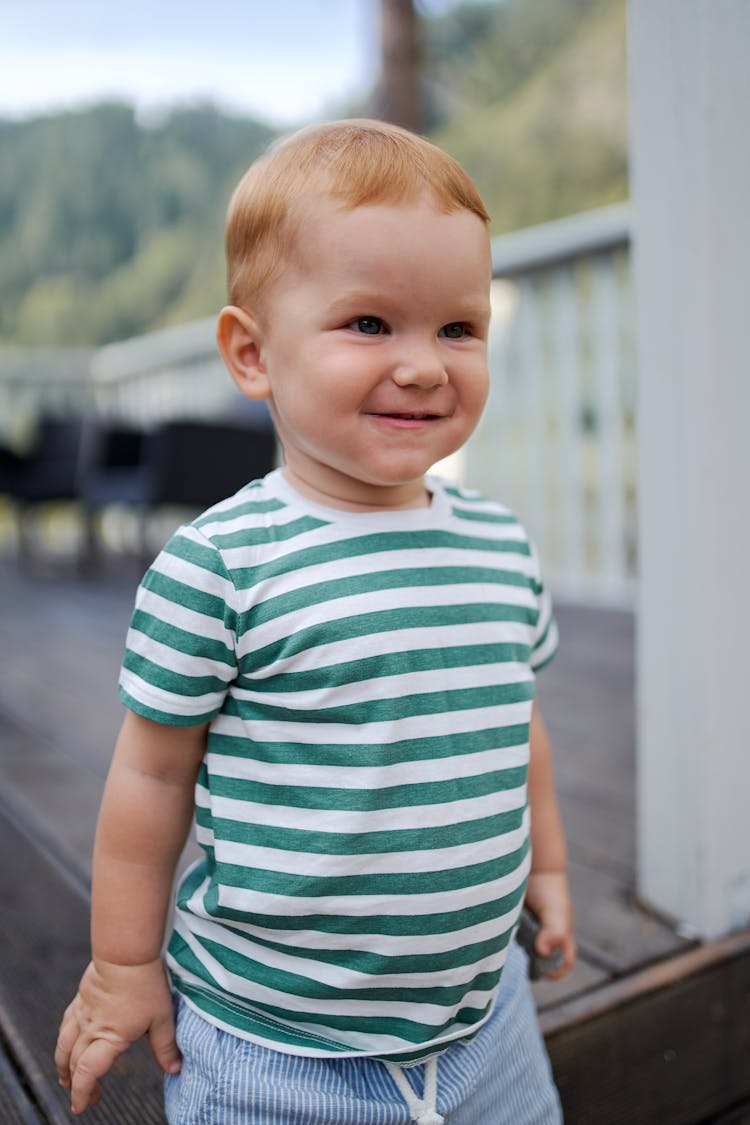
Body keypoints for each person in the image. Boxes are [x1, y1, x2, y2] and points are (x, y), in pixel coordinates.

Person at [55, 119, 576, 1124]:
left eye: (458, 328)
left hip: (486, 1019)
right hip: (273, 1052)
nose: (425, 365)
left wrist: (548, 867)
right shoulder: (221, 565)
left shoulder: (499, 544)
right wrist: (125, 964)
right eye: (371, 325)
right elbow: (152, 773)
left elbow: (521, 726)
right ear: (252, 354)